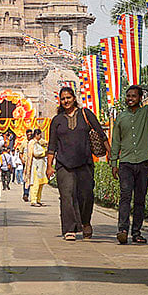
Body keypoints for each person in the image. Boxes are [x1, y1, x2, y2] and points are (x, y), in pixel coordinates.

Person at [46, 88, 106, 240]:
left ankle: (85, 222)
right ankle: (69, 229)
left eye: (68, 97)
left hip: (84, 162)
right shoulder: (57, 120)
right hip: (64, 164)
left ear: (74, 98)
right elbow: (52, 145)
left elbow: (101, 133)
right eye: (63, 98)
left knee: (86, 195)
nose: (66, 101)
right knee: (66, 196)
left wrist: (111, 153)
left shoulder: (85, 114)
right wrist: (49, 166)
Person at [110, 83, 148, 245]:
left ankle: (136, 232)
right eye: (128, 96)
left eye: (134, 96)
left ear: (140, 98)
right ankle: (122, 230)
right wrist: (113, 163)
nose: (130, 98)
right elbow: (116, 141)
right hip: (126, 163)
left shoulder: (147, 113)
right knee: (125, 196)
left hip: (143, 162)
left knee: (140, 198)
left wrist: (141, 86)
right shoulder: (121, 117)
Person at [29, 129, 48, 207]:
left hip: (41, 166)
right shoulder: (32, 143)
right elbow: (35, 153)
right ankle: (33, 200)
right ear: (36, 135)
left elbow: (45, 143)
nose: (40, 137)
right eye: (40, 135)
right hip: (35, 166)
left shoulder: (38, 143)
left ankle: (38, 200)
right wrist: (44, 152)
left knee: (40, 184)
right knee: (35, 184)